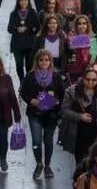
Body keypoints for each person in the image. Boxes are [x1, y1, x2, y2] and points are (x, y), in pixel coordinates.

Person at [18, 49, 63, 179]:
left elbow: (62, 93)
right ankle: (39, 163)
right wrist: (31, 100)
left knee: (48, 140)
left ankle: (48, 165)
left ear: (50, 62)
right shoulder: (30, 76)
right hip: (35, 113)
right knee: (36, 140)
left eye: (47, 60)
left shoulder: (56, 75)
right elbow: (23, 91)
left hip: (51, 114)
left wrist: (55, 101)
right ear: (37, 61)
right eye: (41, 60)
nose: (44, 62)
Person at [61, 69, 97, 158]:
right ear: (83, 79)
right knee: (80, 160)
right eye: (87, 79)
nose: (90, 82)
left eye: (94, 80)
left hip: (96, 133)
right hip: (78, 132)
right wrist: (80, 116)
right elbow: (64, 110)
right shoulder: (72, 91)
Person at [6, 0, 42, 79]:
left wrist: (28, 29)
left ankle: (28, 82)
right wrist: (16, 29)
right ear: (18, 2)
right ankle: (22, 82)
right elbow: (9, 29)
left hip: (29, 44)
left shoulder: (32, 13)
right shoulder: (13, 14)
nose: (23, 2)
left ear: (28, 1)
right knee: (19, 65)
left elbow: (38, 27)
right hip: (17, 45)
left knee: (29, 65)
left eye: (25, 0)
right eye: (21, 0)